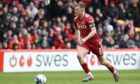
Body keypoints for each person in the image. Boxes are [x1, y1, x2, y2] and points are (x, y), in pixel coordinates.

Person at [73, 2, 119, 82]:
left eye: (77, 10)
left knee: (103, 61)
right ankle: (89, 75)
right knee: (79, 55)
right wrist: (78, 39)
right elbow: (77, 30)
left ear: (82, 10)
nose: (75, 11)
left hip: (95, 42)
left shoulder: (89, 18)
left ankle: (113, 70)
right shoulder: (75, 20)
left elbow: (94, 31)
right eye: (75, 10)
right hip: (86, 43)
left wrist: (84, 39)